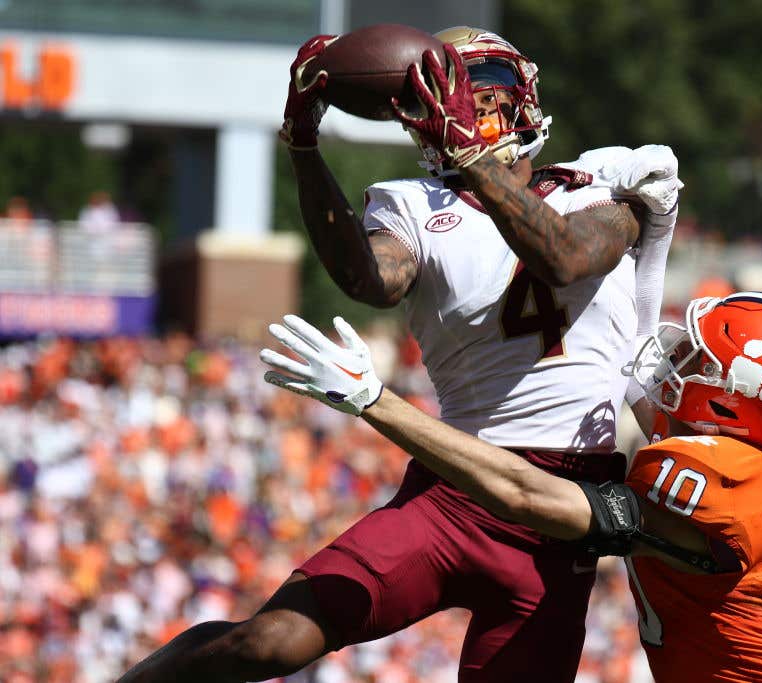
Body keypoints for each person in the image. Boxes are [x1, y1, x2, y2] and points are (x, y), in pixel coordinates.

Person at [120, 26, 680, 683]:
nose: (467, 113)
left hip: (563, 511)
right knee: (269, 640)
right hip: (456, 490)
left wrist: (475, 159)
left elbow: (564, 256)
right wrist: (304, 147)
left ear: (521, 99)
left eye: (479, 95)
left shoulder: (599, 191)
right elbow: (369, 279)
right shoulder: (416, 206)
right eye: (450, 98)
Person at [259, 290, 762, 682]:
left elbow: (526, 497)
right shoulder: (745, 458)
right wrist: (655, 230)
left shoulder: (718, 481)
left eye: (697, 358)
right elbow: (627, 352)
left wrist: (374, 402)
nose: (674, 355)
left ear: (732, 400)